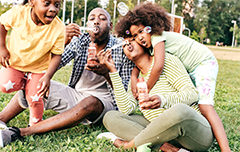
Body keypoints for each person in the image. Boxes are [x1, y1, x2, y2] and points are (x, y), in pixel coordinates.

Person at [0, 7, 135, 147]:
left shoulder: (120, 48)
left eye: (102, 18)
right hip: (76, 96)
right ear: (87, 25)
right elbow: (49, 66)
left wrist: (107, 73)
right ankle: (2, 119)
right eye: (92, 19)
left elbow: (124, 93)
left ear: (110, 25)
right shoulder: (80, 42)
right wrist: (62, 42)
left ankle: (21, 132)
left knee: (90, 102)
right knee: (35, 83)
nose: (96, 22)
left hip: (105, 104)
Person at [114, 2, 231, 151]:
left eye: (142, 31)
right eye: (135, 36)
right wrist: (133, 75)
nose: (139, 38)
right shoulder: (150, 49)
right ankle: (168, 143)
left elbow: (158, 66)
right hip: (191, 68)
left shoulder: (157, 37)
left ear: (150, 26)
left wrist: (147, 89)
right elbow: (141, 66)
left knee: (205, 106)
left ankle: (225, 147)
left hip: (203, 63)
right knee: (192, 104)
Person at [97, 38, 214, 151]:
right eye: (124, 43)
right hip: (163, 134)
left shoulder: (166, 61)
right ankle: (167, 148)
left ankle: (129, 145)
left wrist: (163, 100)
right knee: (110, 117)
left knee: (179, 110)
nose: (127, 44)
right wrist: (112, 70)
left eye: (132, 39)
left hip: (193, 134)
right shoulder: (136, 78)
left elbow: (192, 94)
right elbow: (126, 109)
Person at [0, 0, 65, 126]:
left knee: (35, 99)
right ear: (32, 2)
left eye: (56, 5)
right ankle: (27, 85)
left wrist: (47, 76)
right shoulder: (18, 13)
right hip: (16, 63)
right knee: (4, 85)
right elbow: (2, 24)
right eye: (47, 3)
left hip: (39, 69)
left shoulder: (59, 28)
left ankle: (34, 126)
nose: (53, 9)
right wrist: (2, 47)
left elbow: (57, 55)